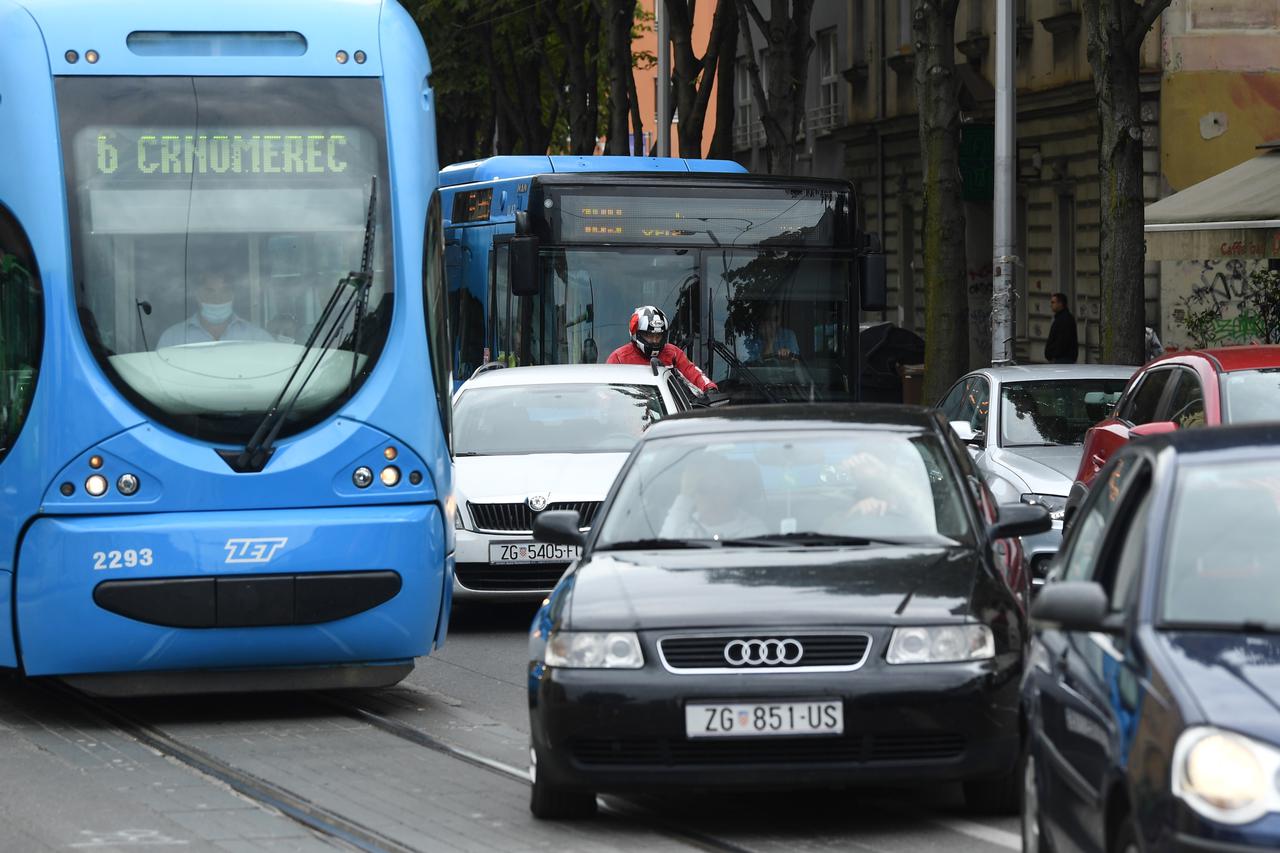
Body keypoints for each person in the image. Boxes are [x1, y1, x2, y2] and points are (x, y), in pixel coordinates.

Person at [606, 305, 717, 393]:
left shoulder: (673, 353)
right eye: (649, 336)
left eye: (658, 336)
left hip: (669, 413)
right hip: (632, 413)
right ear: (636, 334)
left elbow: (691, 371)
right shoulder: (619, 358)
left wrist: (709, 388)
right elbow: (607, 390)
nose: (655, 341)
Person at [659, 455, 768, 540]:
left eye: (718, 488)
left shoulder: (753, 531)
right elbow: (661, 551)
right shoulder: (683, 528)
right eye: (703, 489)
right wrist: (684, 495)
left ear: (732, 492)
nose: (711, 497)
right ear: (693, 496)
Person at [157, 270, 274, 348]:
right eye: (210, 292)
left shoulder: (258, 338)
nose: (217, 299)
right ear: (197, 295)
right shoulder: (172, 338)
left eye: (224, 292)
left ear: (233, 295)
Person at [1044, 292, 1078, 364]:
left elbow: (1062, 341)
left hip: (1063, 359)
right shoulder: (1061, 318)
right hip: (1061, 358)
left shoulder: (1065, 319)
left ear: (1060, 304)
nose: (1051, 305)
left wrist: (1054, 355)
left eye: (1053, 302)